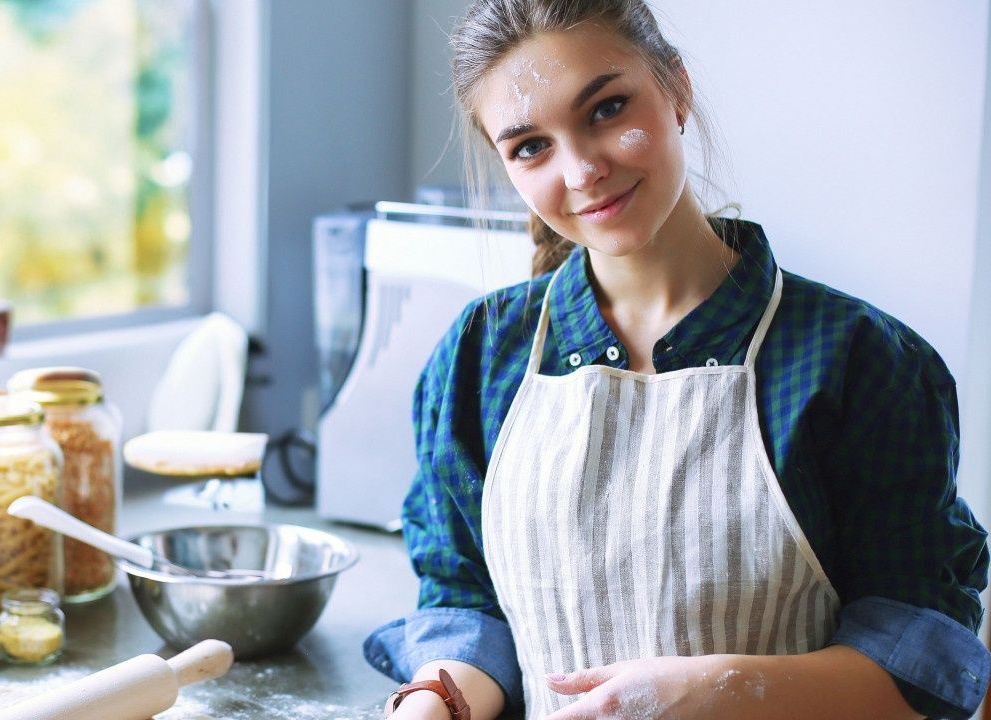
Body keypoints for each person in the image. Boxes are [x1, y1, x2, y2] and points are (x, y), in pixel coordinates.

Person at [363, 1, 991, 719]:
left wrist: (715, 689)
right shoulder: (480, 356)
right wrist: (435, 702)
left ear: (676, 89)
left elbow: (918, 667)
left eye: (607, 109)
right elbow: (469, 607)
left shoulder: (856, 360)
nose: (583, 170)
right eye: (531, 147)